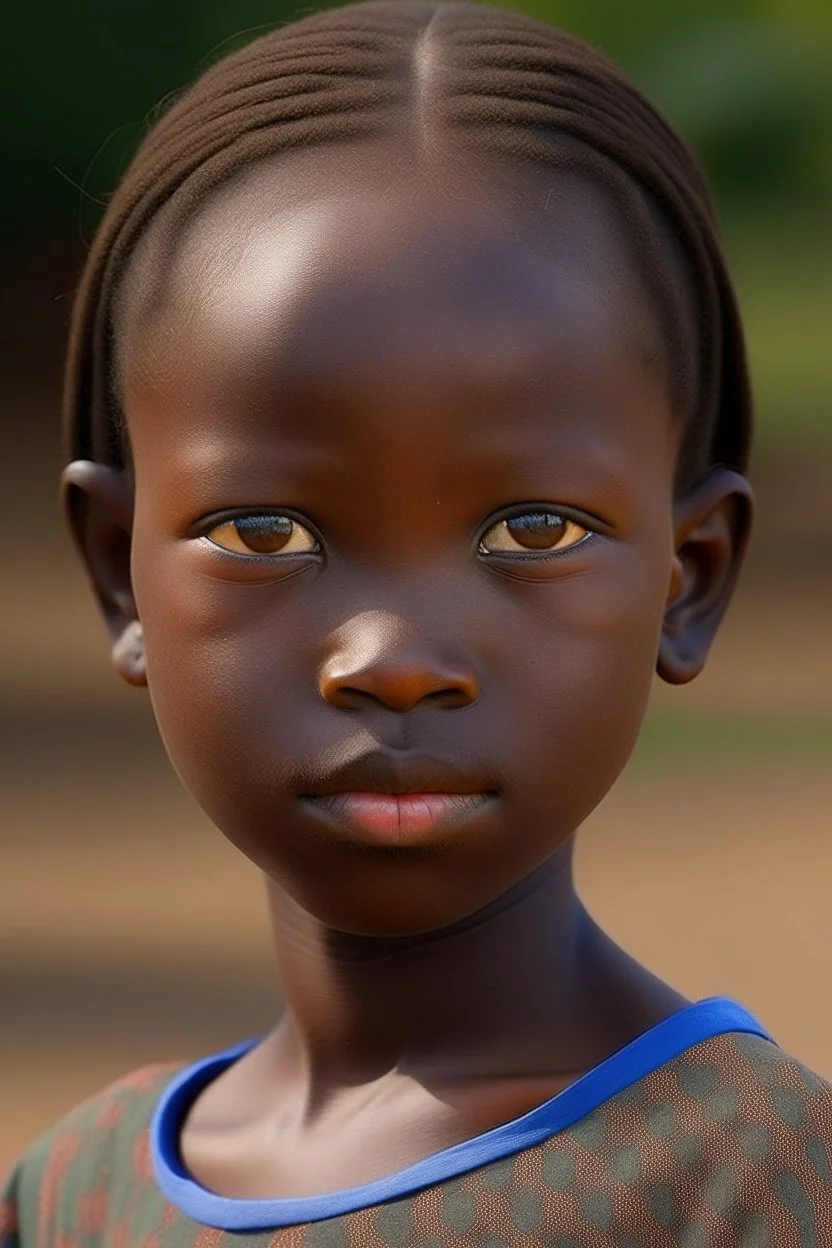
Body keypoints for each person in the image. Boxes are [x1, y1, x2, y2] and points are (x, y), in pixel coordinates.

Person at [3, 0, 831, 1242]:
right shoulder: (71, 1197)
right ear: (120, 576)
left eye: (534, 533)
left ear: (690, 576)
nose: (390, 662)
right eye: (267, 535)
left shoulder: (755, 1188)